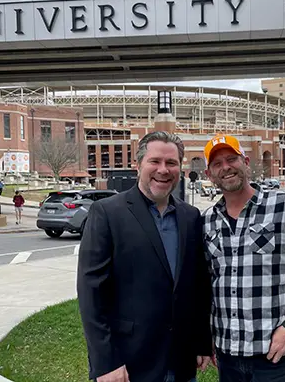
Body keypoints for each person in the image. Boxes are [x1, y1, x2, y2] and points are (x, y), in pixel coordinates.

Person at [77, 131, 212, 382]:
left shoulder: (190, 217)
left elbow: (197, 286)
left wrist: (202, 341)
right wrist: (106, 362)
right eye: (155, 161)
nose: (163, 169)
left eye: (171, 163)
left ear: (179, 168)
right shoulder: (107, 213)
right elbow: (91, 293)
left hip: (180, 362)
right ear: (138, 165)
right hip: (128, 364)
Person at [201, 134, 285, 382]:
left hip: (274, 358)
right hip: (227, 359)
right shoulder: (207, 220)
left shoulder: (284, 206)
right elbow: (207, 285)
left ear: (246, 162)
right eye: (217, 164)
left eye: (232, 159)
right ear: (209, 174)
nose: (226, 167)